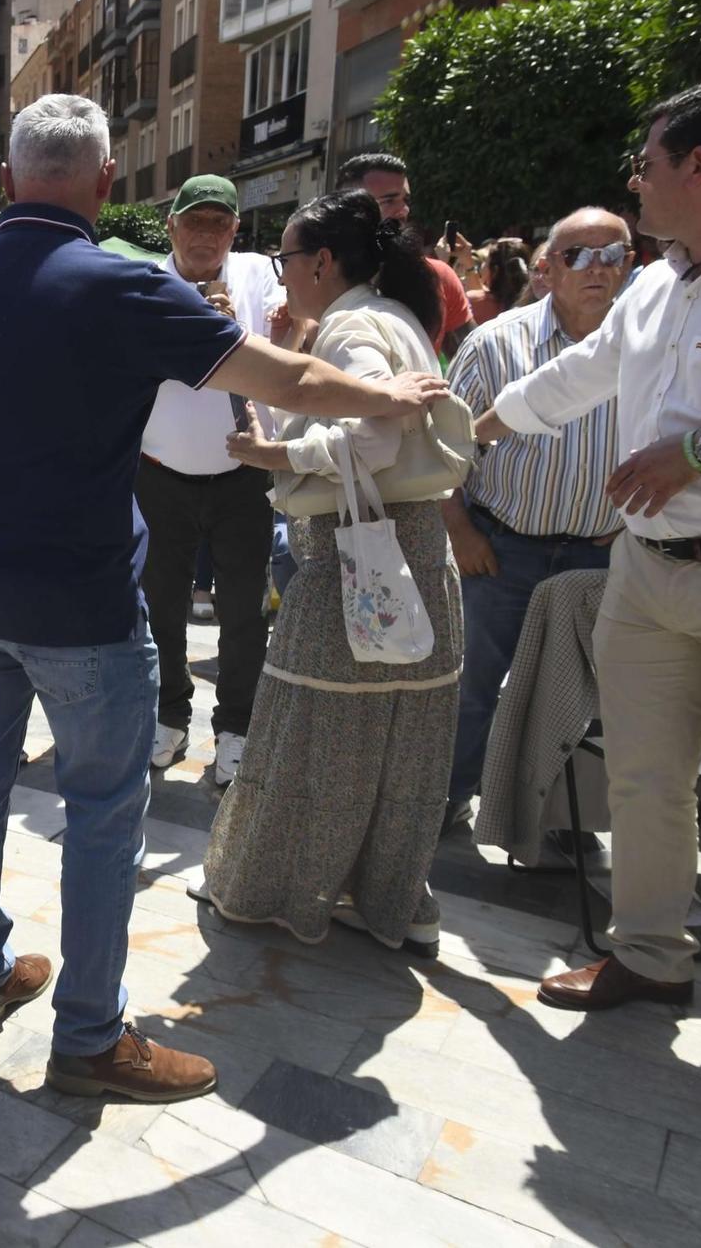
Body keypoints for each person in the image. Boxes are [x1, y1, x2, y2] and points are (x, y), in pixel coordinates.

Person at [0, 95, 451, 1099]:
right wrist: (388, 396)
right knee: (103, 818)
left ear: (8, 178)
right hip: (83, 612)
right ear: (107, 182)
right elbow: (282, 377)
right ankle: (91, 1038)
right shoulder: (117, 285)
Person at [472, 76, 701, 1073]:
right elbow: (578, 375)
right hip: (643, 571)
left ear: (697, 164)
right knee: (642, 777)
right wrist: (471, 425)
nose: (631, 180)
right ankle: (648, 955)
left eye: (642, 162)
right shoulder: (654, 282)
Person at [205, 189, 461, 958]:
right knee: (393, 740)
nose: (281, 274)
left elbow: (373, 440)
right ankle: (388, 897)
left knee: (311, 731)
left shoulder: (354, 324)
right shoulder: (392, 316)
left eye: (285, 257)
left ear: (320, 261)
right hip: (408, 550)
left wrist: (272, 455)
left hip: (358, 552)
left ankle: (282, 892)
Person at [441, 209, 629, 831]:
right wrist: (460, 530)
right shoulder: (497, 342)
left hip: (602, 554)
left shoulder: (652, 346)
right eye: (578, 255)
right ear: (546, 266)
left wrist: (630, 527)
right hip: (502, 548)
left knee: (585, 699)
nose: (597, 268)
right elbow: (444, 449)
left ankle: (566, 822)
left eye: (613, 253)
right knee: (475, 686)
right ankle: (447, 800)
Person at [140, 174, 283, 785]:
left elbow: (292, 345)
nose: (206, 235)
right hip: (161, 473)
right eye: (194, 222)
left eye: (218, 223)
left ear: (235, 230)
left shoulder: (261, 275)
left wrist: (235, 334)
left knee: (245, 612)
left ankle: (236, 730)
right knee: (161, 608)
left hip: (243, 474)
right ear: (171, 227)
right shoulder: (145, 284)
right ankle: (171, 715)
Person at [338, 153, 474, 353]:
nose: (404, 210)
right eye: (389, 201)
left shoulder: (438, 276)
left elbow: (473, 355)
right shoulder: (322, 273)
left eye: (405, 200)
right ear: (350, 209)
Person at [467, 237, 533, 326]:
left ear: (495, 270)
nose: (482, 267)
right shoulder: (536, 304)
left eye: (486, 262)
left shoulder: (472, 302)